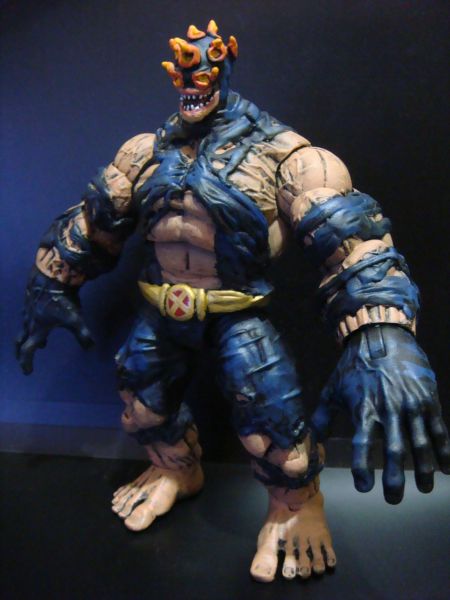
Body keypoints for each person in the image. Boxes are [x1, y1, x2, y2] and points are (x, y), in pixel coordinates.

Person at [16, 20, 449, 583]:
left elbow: (351, 240)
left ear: (224, 68)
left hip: (237, 313)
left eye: (203, 69)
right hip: (160, 310)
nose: (192, 82)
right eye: (182, 73)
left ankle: (295, 507)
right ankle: (176, 469)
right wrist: (51, 280)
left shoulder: (284, 155)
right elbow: (96, 223)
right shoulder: (145, 151)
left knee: (272, 431)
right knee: (142, 406)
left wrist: (382, 335)